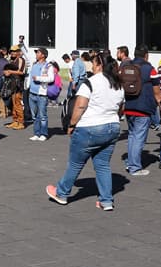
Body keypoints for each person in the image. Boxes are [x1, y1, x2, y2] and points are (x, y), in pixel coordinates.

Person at [46, 53, 125, 211]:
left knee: (76, 163)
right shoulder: (118, 84)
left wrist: (71, 124)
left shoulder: (90, 82)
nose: (92, 67)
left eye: (94, 64)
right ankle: (106, 200)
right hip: (112, 127)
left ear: (100, 65)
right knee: (103, 165)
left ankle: (62, 193)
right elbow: (121, 108)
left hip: (90, 127)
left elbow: (80, 105)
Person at [123, 45, 159, 177]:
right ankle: (135, 167)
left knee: (132, 136)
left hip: (128, 107)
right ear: (146, 55)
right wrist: (160, 105)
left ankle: (130, 162)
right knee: (139, 138)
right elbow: (157, 90)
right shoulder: (150, 69)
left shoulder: (126, 67)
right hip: (143, 108)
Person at [28, 47, 54, 141]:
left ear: (43, 55)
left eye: (38, 52)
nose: (36, 54)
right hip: (32, 93)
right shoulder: (34, 64)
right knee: (34, 115)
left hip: (42, 93)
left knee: (42, 115)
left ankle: (43, 133)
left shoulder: (48, 66)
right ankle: (36, 133)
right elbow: (30, 76)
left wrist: (38, 78)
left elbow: (51, 78)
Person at [3, 45, 27, 130]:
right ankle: (15, 120)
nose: (12, 53)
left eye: (14, 51)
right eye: (11, 51)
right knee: (13, 104)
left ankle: (21, 122)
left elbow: (21, 72)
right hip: (12, 85)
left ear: (18, 52)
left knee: (18, 104)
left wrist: (10, 71)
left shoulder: (21, 60)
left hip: (18, 86)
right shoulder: (12, 60)